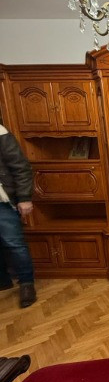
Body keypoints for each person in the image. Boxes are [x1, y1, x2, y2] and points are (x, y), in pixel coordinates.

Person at [0, 123, 36, 307]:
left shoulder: (1, 133)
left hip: (2, 201)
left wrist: (24, 198)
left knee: (14, 244)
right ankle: (3, 280)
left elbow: (20, 167)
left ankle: (26, 284)